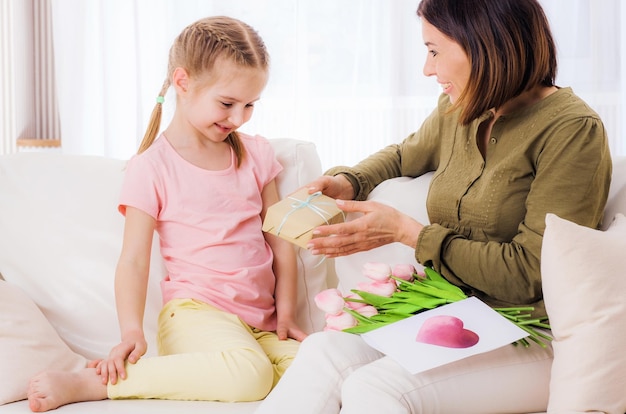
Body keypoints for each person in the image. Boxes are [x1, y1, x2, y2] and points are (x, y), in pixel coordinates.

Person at [255, 0, 612, 413]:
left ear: (484, 44)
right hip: (456, 315)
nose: (428, 69)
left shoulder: (571, 130)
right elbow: (404, 155)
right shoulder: (460, 108)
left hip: (532, 333)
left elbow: (532, 274)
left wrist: (409, 233)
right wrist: (348, 181)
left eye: (434, 50)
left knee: (375, 388)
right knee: (324, 353)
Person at [27, 15, 306, 412]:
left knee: (315, 366)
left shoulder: (257, 154)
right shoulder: (152, 167)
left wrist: (288, 313)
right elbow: (134, 260)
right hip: (195, 316)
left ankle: (241, 362)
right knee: (250, 374)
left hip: (259, 322)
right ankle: (98, 383)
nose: (239, 118)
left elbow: (281, 242)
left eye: (250, 105)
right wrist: (131, 331)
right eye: (227, 103)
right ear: (183, 82)